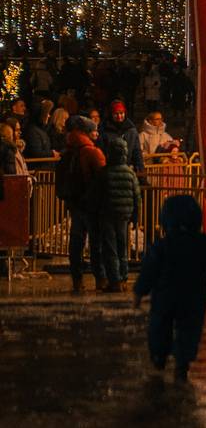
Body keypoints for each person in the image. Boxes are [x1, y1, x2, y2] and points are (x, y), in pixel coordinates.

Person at [134, 194, 206, 381]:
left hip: (165, 296)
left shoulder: (162, 246)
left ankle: (158, 355)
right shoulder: (201, 243)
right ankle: (182, 362)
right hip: (193, 298)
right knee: (189, 329)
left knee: (160, 326)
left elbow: (149, 270)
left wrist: (139, 291)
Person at [57, 115, 107, 293]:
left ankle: (77, 279)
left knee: (76, 241)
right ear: (87, 132)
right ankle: (100, 277)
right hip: (91, 204)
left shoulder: (69, 150)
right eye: (94, 130)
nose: (97, 133)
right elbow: (102, 178)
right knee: (96, 242)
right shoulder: (92, 152)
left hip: (75, 202)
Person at [97, 137, 141, 292]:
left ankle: (114, 280)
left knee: (111, 248)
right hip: (124, 216)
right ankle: (124, 279)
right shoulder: (130, 173)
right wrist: (136, 216)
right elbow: (137, 196)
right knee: (123, 247)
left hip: (107, 215)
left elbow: (98, 195)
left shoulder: (104, 172)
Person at [101, 99, 144, 175]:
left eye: (121, 113)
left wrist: (140, 170)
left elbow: (136, 151)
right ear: (111, 114)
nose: (119, 116)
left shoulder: (131, 130)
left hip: (127, 170)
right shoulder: (104, 130)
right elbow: (102, 150)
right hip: (110, 171)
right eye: (116, 113)